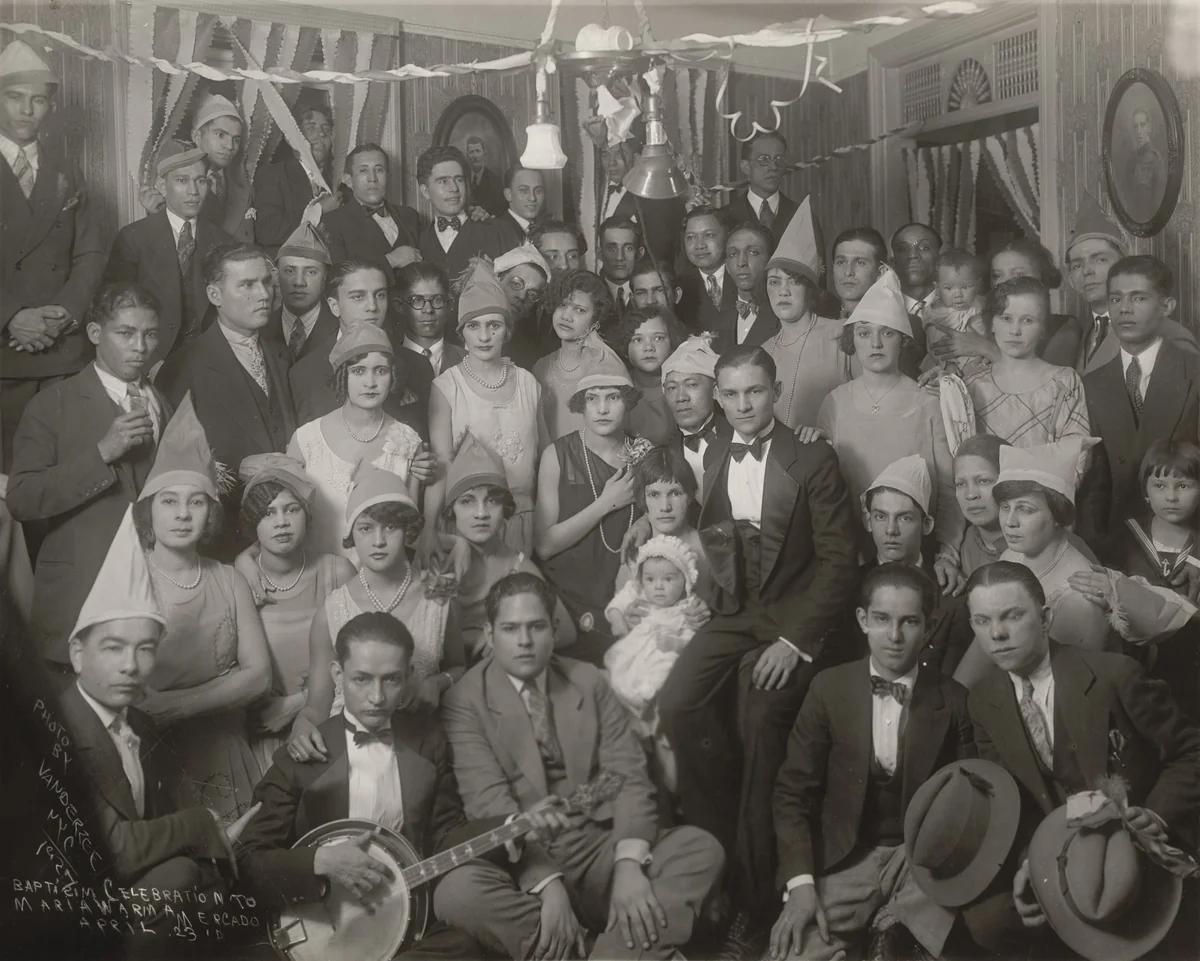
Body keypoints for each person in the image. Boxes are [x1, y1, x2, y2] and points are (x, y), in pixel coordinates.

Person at [658, 345, 858, 949]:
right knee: (677, 704)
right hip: (733, 608)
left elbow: (840, 563)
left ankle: (755, 896)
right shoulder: (712, 447)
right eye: (733, 394)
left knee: (762, 718)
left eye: (756, 393)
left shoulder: (813, 455)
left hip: (793, 611)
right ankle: (717, 837)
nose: (744, 405)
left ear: (775, 393)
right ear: (717, 397)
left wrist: (796, 641)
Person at [238, 611, 560, 960]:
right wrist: (320, 860)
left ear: (408, 677)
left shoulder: (428, 741)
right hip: (317, 929)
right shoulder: (303, 752)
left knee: (465, 949)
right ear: (337, 674)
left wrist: (512, 826)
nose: (376, 697)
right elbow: (246, 862)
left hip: (401, 921)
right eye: (361, 680)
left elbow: (445, 835)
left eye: (391, 680)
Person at [439, 571, 726, 961]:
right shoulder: (465, 700)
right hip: (524, 859)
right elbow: (488, 804)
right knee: (457, 891)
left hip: (598, 847)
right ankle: (610, 951)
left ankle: (605, 954)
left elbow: (626, 773)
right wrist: (546, 882)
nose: (524, 641)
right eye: (510, 629)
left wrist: (628, 865)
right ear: (489, 635)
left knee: (700, 848)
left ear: (554, 630)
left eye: (536, 626)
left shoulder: (587, 680)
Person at [959, 561, 1200, 955]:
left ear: (1045, 617)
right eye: (982, 621)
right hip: (1061, 859)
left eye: (1012, 616)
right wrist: (1028, 866)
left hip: (1136, 854)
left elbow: (1193, 753)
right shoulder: (983, 702)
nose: (997, 634)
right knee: (987, 923)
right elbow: (1013, 806)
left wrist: (1157, 815)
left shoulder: (1116, 675)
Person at [769, 563, 975, 961]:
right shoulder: (829, 688)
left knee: (909, 946)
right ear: (862, 620)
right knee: (788, 954)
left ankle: (893, 931)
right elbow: (791, 795)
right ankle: (881, 931)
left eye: (909, 622)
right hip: (849, 857)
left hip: (920, 862)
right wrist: (801, 885)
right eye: (882, 620)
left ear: (927, 626)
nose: (894, 636)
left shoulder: (954, 699)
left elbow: (971, 808)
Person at [59, 509, 251, 898]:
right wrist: (201, 825)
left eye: (144, 649)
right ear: (77, 654)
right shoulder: (59, 729)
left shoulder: (141, 725)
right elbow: (115, 850)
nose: (130, 666)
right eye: (113, 648)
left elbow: (153, 823)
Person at [8, 282, 170, 667]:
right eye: (126, 334)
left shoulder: (163, 400)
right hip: (83, 592)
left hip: (155, 592)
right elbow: (22, 498)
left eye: (150, 335)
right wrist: (102, 453)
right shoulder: (51, 404)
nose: (140, 347)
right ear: (95, 334)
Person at [132, 395, 271, 822]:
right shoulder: (131, 582)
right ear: (148, 512)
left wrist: (177, 705)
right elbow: (131, 698)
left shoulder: (229, 579)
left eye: (195, 502)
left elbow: (260, 677)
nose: (182, 514)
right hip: (154, 756)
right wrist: (224, 686)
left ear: (210, 513)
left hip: (227, 751)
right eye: (168, 501)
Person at [288, 466, 466, 763]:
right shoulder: (332, 611)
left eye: (391, 527)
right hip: (349, 751)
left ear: (408, 530)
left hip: (421, 747)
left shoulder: (439, 597)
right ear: (351, 535)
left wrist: (438, 682)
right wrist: (302, 723)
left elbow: (461, 667)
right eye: (366, 528)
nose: (379, 541)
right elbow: (317, 705)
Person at [0, 40, 105, 469]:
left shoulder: (67, 172)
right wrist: (11, 316)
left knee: (65, 472)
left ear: (50, 107)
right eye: (15, 98)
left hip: (63, 352)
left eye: (38, 100)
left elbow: (91, 253)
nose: (27, 110)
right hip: (6, 353)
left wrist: (66, 311)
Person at [817, 267, 963, 575]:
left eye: (887, 333)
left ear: (903, 340)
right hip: (849, 553)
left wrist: (947, 550)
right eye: (864, 333)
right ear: (852, 339)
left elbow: (949, 488)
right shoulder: (834, 402)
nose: (875, 344)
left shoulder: (929, 402)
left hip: (915, 552)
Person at [157, 243, 297, 558]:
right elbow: (168, 460)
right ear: (215, 296)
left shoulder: (281, 354)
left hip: (287, 530)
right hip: (222, 538)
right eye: (247, 285)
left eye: (265, 282)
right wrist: (235, 468)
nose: (264, 294)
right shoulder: (183, 366)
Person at [234, 454, 354, 769]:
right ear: (252, 523)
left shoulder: (337, 572)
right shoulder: (238, 581)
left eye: (291, 509)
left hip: (330, 721)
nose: (281, 523)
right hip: (261, 733)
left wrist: (297, 703)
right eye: (267, 513)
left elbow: (362, 658)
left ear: (307, 513)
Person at [421, 261, 543, 561]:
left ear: (507, 330)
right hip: (466, 521)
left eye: (494, 325)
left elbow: (546, 455)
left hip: (521, 519)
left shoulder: (528, 382)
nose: (484, 336)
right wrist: (428, 528)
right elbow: (442, 464)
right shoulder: (446, 387)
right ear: (462, 332)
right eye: (474, 326)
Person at [536, 349, 646, 664]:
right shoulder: (557, 454)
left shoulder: (645, 453)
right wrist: (604, 504)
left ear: (628, 402)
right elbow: (543, 546)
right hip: (567, 594)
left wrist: (646, 522)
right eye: (592, 398)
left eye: (613, 398)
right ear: (580, 405)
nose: (602, 409)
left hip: (624, 593)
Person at [1083, 255, 1200, 542]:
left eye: (1138, 298)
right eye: (1115, 299)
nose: (1124, 309)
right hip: (1115, 548)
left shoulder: (1194, 374)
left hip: (1187, 547)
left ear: (1166, 307)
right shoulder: (1090, 384)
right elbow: (1093, 487)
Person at [287, 324, 423, 557]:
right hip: (318, 574)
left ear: (392, 376)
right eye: (359, 371)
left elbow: (409, 534)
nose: (370, 382)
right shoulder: (306, 439)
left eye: (380, 371)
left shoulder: (409, 443)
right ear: (342, 376)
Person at [438, 434, 573, 660]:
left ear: (506, 509)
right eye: (468, 501)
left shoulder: (518, 567)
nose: (481, 513)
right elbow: (421, 634)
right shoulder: (439, 560)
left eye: (492, 501)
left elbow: (567, 632)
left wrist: (503, 641)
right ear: (452, 511)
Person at [104, 140, 232, 364]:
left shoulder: (222, 242)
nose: (193, 191)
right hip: (150, 358)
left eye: (200, 181)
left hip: (209, 360)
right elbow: (116, 313)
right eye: (182, 181)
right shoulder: (134, 238)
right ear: (162, 187)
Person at [1042, 192, 1196, 372]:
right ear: (1071, 280)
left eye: (1100, 260)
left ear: (1125, 266)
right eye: (1077, 265)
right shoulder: (1078, 336)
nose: (1087, 271)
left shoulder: (1165, 334)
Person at [855, 455, 975, 677]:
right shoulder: (847, 587)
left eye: (904, 518)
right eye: (880, 516)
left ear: (927, 524)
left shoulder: (951, 595)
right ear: (867, 521)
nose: (891, 530)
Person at [1110, 439, 1200, 715]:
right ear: (1145, 491)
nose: (1171, 497)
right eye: (1159, 486)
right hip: (1138, 664)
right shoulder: (1125, 537)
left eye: (1183, 486)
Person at [289, 261, 430, 434]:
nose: (372, 307)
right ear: (335, 306)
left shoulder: (419, 365)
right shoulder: (303, 373)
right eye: (358, 297)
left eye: (380, 295)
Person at [960, 277, 1090, 446]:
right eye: (1006, 319)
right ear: (991, 324)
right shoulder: (973, 384)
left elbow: (1075, 454)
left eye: (1027, 320)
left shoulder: (1064, 382)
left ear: (1043, 328)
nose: (1015, 331)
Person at [761, 198, 846, 431]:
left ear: (810, 289)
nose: (783, 291)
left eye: (794, 282)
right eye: (774, 282)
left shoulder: (841, 334)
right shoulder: (765, 350)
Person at [605, 534, 702, 714]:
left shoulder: (686, 607)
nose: (658, 586)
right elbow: (617, 604)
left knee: (667, 668)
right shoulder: (641, 594)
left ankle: (649, 697)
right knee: (622, 671)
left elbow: (693, 639)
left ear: (685, 581)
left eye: (668, 579)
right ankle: (627, 697)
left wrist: (675, 644)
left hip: (666, 651)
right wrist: (617, 620)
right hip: (636, 650)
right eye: (650, 579)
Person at [533, 269, 618, 440]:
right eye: (562, 305)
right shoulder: (540, 367)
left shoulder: (606, 366)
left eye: (580, 310)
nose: (566, 316)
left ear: (596, 319)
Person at [416, 145, 521, 280]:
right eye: (443, 181)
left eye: (459, 179)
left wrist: (496, 276)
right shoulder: (418, 241)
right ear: (425, 191)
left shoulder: (499, 231)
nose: (454, 188)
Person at [320, 143, 422, 276]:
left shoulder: (409, 215)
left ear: (388, 176)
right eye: (363, 171)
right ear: (348, 180)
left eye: (379, 170)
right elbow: (338, 277)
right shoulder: (332, 222)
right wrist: (390, 261)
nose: (372, 179)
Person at [724, 130, 825, 262]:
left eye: (779, 159)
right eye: (764, 159)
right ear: (745, 166)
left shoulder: (804, 217)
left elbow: (818, 274)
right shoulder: (725, 217)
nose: (773, 167)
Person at [253, 103, 339, 256]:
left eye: (326, 129)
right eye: (311, 128)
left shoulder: (336, 183)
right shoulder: (273, 174)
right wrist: (318, 211)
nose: (321, 135)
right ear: (290, 137)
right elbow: (267, 231)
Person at [596, 138, 685, 267]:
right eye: (605, 155)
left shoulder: (653, 196)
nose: (611, 163)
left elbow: (661, 254)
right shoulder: (593, 196)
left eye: (620, 155)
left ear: (637, 158)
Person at [661, 333, 725, 501]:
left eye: (691, 385)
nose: (681, 397)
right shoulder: (663, 454)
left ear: (715, 390)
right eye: (672, 388)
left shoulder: (741, 437)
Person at [266, 219, 338, 364]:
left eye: (311, 272)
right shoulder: (261, 329)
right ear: (275, 276)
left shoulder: (341, 329)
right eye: (289, 271)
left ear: (326, 277)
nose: (299, 282)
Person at [616, 304, 687, 446]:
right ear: (625, 347)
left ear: (672, 342)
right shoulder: (618, 390)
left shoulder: (685, 388)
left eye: (658, 338)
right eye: (637, 340)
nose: (649, 348)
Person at [986, 237, 1072, 352]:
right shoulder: (979, 321)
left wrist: (985, 349)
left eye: (1018, 274)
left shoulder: (1065, 326)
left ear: (1042, 276)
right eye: (997, 275)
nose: (1005, 282)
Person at [922, 247, 988, 374]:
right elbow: (936, 345)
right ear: (937, 287)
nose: (958, 294)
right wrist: (948, 365)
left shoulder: (981, 304)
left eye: (965, 287)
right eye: (948, 288)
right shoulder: (938, 314)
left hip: (982, 361)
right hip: (952, 364)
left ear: (978, 285)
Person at [396, 260, 464, 376]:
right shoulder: (388, 360)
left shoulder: (468, 361)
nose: (428, 309)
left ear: (450, 304)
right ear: (400, 306)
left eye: (437, 299)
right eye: (417, 300)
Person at [717, 221, 778, 352]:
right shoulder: (720, 319)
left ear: (771, 260)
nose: (741, 262)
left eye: (753, 252)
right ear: (726, 266)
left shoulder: (784, 315)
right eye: (733, 254)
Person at [676, 205, 736, 337]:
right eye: (691, 237)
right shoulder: (679, 288)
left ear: (727, 236)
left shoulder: (742, 276)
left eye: (708, 235)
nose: (699, 245)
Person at [888, 223, 938, 378]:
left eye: (924, 248)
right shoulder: (883, 312)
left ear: (940, 257)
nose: (913, 255)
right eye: (903, 249)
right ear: (892, 261)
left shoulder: (967, 308)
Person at [495, 243, 554, 370]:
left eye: (532, 294)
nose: (522, 296)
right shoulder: (458, 336)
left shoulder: (531, 358)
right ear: (497, 280)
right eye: (516, 284)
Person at [829, 226, 887, 320]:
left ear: (880, 272)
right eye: (841, 262)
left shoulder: (894, 324)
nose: (848, 272)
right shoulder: (819, 323)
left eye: (860, 263)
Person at [1124, 107, 1166, 222]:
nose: (1138, 131)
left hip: (1149, 222)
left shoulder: (1156, 160)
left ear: (1149, 128)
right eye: (1135, 126)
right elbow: (1127, 197)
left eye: (1142, 125)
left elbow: (1157, 202)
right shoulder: (1130, 160)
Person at [598, 215, 643, 314]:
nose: (620, 257)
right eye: (612, 248)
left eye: (628, 248)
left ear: (639, 254)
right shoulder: (589, 294)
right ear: (600, 254)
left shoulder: (649, 296)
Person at [465, 134, 507, 216]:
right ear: (467, 155)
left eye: (478, 151)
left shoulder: (495, 181)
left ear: (484, 153)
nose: (475, 156)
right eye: (471, 152)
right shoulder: (461, 178)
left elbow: (500, 211)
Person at [501, 164, 546, 238]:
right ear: (508, 195)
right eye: (524, 190)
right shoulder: (495, 231)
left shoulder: (545, 230)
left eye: (538, 191)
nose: (532, 198)